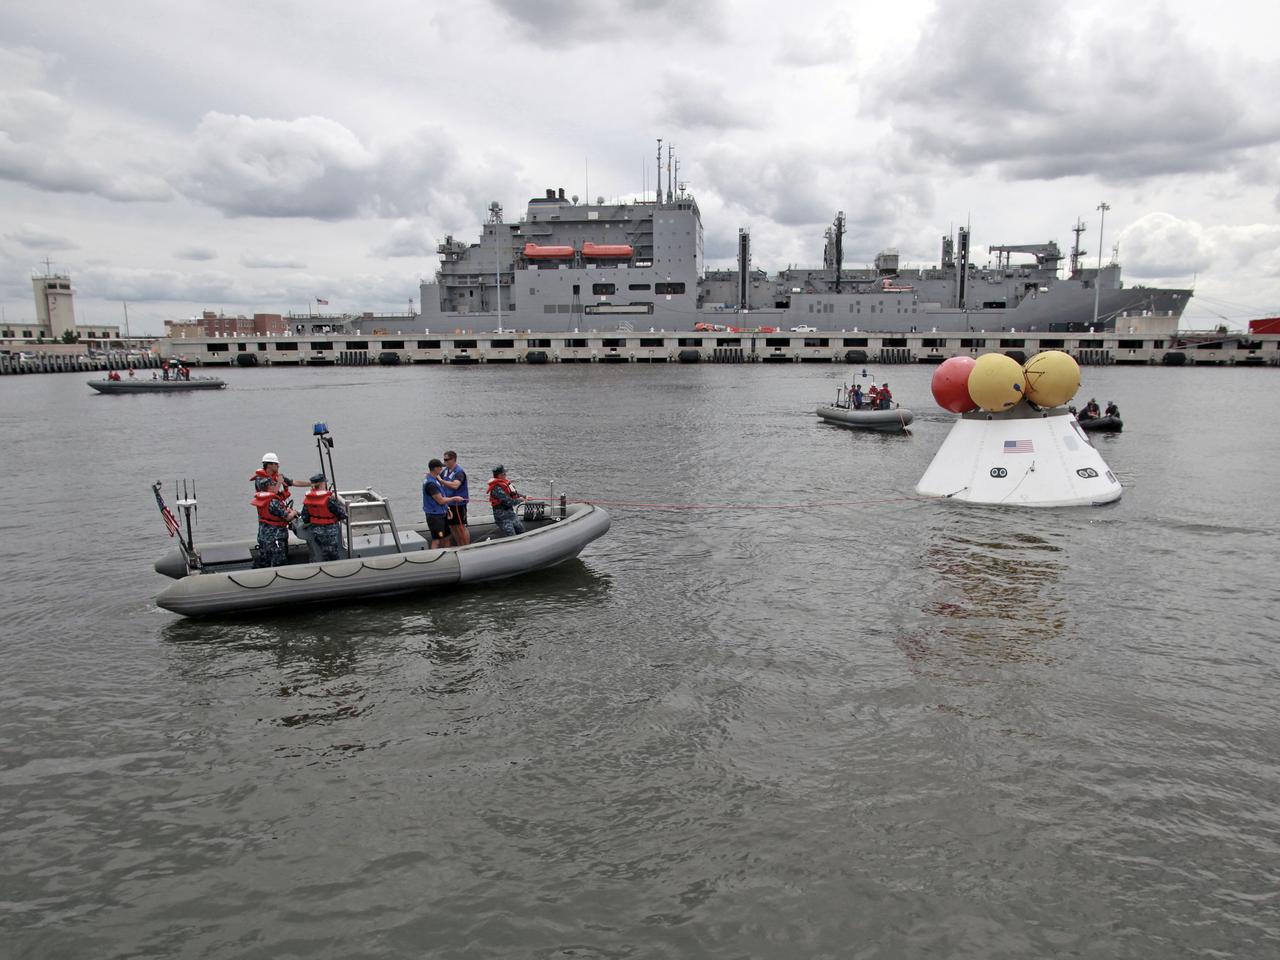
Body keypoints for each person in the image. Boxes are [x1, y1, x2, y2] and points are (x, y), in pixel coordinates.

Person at [251, 477, 297, 567]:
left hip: (264, 534)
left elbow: (272, 512)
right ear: (269, 486)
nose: (276, 486)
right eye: (273, 484)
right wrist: (294, 512)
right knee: (279, 562)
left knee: (266, 560)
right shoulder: (273, 501)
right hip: (276, 535)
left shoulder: (261, 499)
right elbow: (288, 518)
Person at [301, 473, 347, 561]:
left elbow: (305, 517)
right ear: (322, 484)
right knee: (333, 555)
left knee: (323, 552)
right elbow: (342, 515)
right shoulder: (328, 499)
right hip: (330, 532)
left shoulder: (308, 499)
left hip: (316, 532)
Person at [422, 458, 464, 548]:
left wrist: (446, 508)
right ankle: (435, 558)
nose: (442, 469)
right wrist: (454, 498)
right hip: (435, 516)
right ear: (435, 469)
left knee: (447, 537)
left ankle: (447, 554)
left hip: (441, 513)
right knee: (437, 539)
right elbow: (440, 500)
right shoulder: (431, 484)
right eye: (440, 467)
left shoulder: (435, 479)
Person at [439, 450, 471, 546]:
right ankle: (459, 545)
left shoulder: (459, 472)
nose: (444, 462)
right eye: (444, 459)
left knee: (460, 527)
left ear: (453, 459)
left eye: (446, 459)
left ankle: (466, 546)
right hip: (449, 503)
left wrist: (441, 481)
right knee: (453, 526)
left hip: (458, 504)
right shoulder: (445, 471)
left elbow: (455, 485)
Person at [487, 465, 526, 539]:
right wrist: (520, 500)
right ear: (499, 475)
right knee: (511, 536)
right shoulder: (496, 488)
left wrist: (525, 497)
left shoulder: (505, 484)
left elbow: (513, 494)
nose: (505, 475)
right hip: (502, 517)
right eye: (504, 474)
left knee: (521, 531)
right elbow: (508, 502)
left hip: (510, 514)